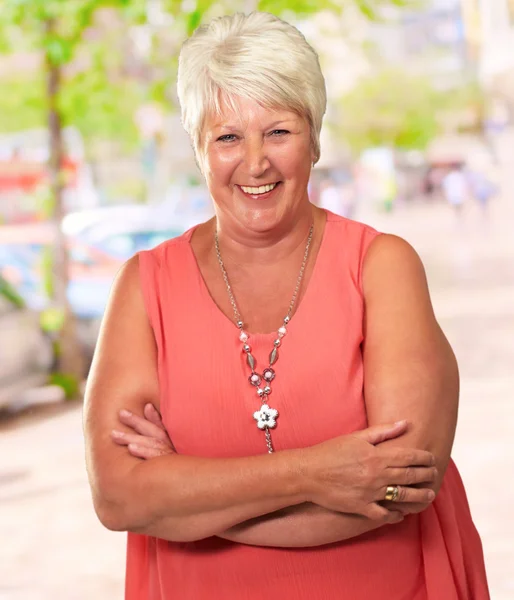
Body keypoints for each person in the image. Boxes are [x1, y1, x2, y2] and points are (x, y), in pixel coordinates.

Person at [84, 12, 489, 600]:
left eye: (278, 131)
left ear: (315, 139)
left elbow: (398, 489)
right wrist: (318, 474)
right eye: (227, 137)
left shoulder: (382, 266)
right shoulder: (143, 287)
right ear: (199, 149)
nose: (255, 163)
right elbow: (120, 496)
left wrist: (184, 500)